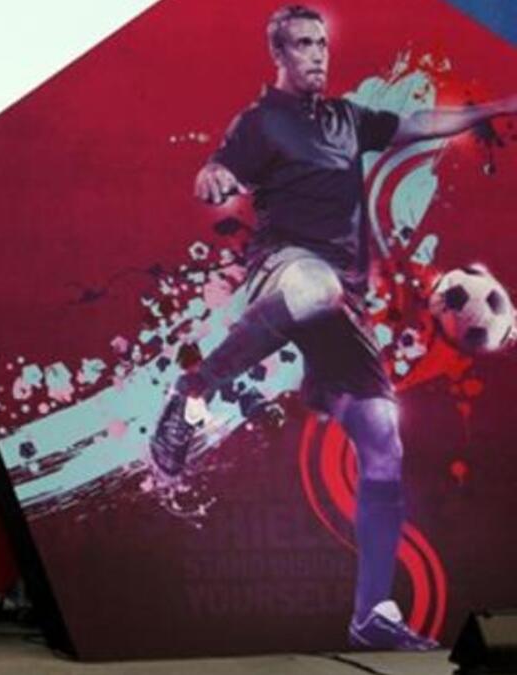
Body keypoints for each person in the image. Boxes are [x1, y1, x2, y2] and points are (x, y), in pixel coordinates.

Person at [150, 4, 517, 650]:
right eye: (303, 44)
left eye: (321, 42)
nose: (318, 52)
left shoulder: (348, 119)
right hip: (282, 269)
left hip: (341, 297)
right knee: (312, 285)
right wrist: (216, 177)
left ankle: (373, 612)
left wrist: (499, 107)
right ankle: (194, 390)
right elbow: (220, 167)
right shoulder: (262, 121)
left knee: (383, 440)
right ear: (279, 54)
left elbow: (419, 124)